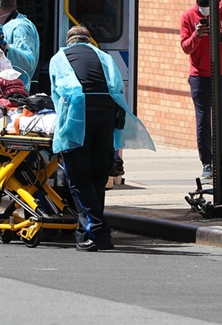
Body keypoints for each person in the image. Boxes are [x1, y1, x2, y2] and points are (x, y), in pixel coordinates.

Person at [50, 26, 155, 252]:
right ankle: (90, 233)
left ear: (69, 42)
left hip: (79, 117)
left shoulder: (60, 58)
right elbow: (117, 86)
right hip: (107, 115)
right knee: (97, 176)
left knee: (78, 177)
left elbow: (57, 95)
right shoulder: (104, 57)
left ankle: (96, 228)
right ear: (89, 41)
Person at [180, 0, 222, 180]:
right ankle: (207, 162)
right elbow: (186, 47)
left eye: (207, 7)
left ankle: (218, 159)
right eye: (201, 7)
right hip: (199, 76)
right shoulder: (188, 17)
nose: (204, 11)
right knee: (203, 120)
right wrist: (196, 36)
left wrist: (221, 37)